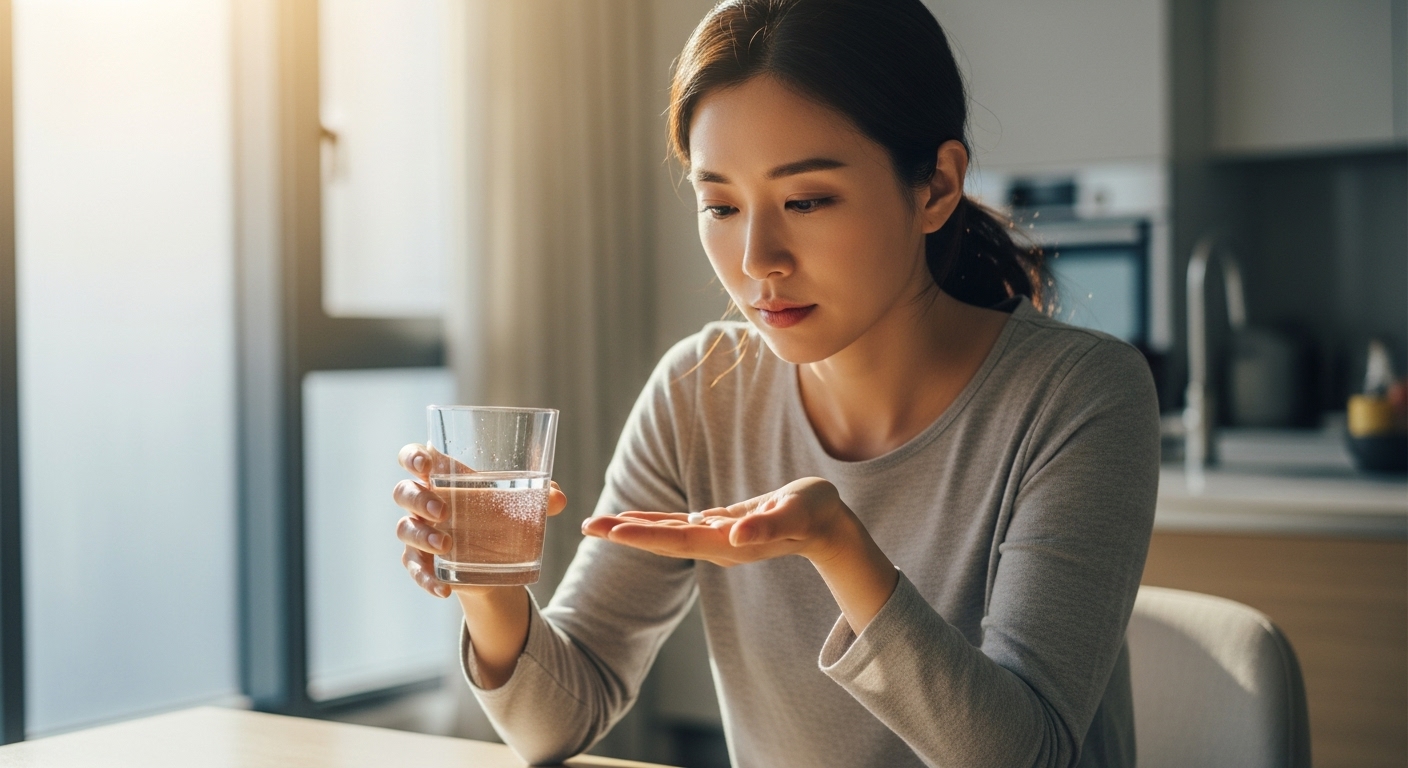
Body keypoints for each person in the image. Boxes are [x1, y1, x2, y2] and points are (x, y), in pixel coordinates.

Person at [393, 1, 1159, 765]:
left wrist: (839, 549)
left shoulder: (1080, 395)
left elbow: (1030, 756)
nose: (758, 259)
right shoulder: (700, 390)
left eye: (806, 200)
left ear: (935, 187)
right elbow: (556, 720)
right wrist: (490, 588)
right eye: (720, 205)